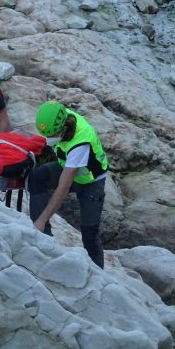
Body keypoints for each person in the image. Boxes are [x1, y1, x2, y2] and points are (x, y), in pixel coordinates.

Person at [29, 101, 109, 268]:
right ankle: (44, 237)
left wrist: (42, 219)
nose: (50, 139)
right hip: (66, 164)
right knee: (37, 176)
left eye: (53, 135)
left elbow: (63, 187)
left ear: (64, 128)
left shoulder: (81, 142)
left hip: (90, 180)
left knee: (89, 233)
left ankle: (98, 273)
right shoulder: (57, 116)